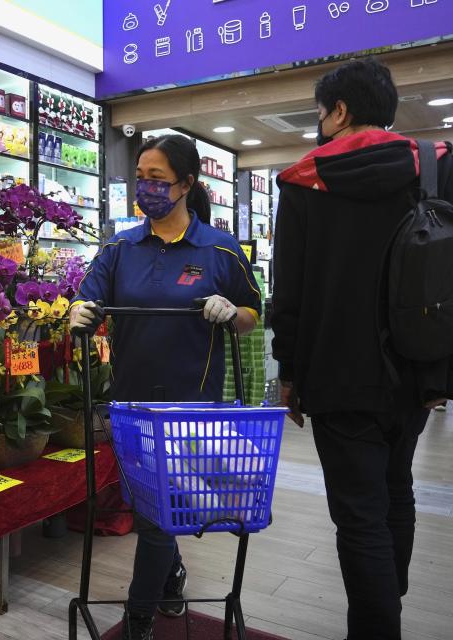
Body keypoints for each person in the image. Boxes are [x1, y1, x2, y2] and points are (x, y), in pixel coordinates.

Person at [271, 58, 453, 640]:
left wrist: (290, 372)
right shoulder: (433, 166)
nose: (318, 123)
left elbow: (290, 293)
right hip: (416, 366)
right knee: (397, 490)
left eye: (320, 112)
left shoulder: (304, 180)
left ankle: (378, 626)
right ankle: (388, 603)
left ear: (340, 111)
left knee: (358, 518)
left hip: (337, 373)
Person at [69, 134, 261, 639]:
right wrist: (79, 312)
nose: (146, 189)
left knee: (156, 518)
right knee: (148, 506)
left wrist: (231, 313)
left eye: (157, 180)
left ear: (186, 185)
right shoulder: (119, 247)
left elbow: (252, 311)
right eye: (141, 179)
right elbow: (86, 297)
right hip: (130, 403)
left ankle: (138, 616)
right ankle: (172, 575)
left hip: (191, 407)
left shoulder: (219, 249)